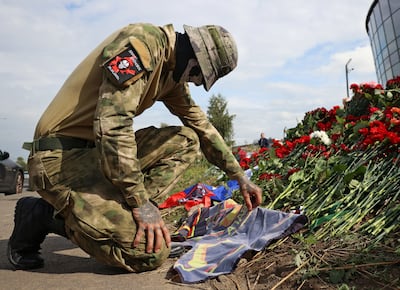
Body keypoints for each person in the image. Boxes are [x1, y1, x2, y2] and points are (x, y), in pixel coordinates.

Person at [8, 23, 262, 272]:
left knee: (186, 140)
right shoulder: (142, 44)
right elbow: (114, 126)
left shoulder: (171, 76)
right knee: (148, 253)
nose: (195, 84)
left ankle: (128, 217)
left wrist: (239, 177)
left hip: (95, 155)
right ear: (194, 62)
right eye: (198, 79)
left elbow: (201, 127)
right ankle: (42, 215)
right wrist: (140, 203)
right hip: (60, 160)